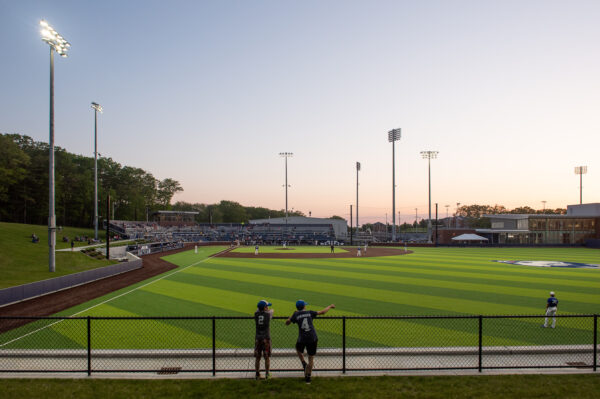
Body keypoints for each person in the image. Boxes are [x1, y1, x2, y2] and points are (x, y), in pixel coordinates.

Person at [286, 300, 335, 384]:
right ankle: (308, 378)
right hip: (312, 337)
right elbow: (323, 312)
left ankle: (303, 363)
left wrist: (292, 315)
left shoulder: (296, 314)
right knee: (311, 357)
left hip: (302, 338)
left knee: (298, 349)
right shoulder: (310, 312)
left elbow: (287, 323)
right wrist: (330, 306)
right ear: (304, 307)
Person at [254, 299, 274, 380]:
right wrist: (268, 310)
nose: (268, 307)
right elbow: (272, 310)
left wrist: (262, 308)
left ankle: (257, 374)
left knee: (258, 357)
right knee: (267, 357)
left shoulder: (256, 314)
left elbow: (257, 310)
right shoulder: (268, 314)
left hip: (258, 338)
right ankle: (267, 374)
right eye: (267, 306)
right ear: (265, 307)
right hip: (266, 338)